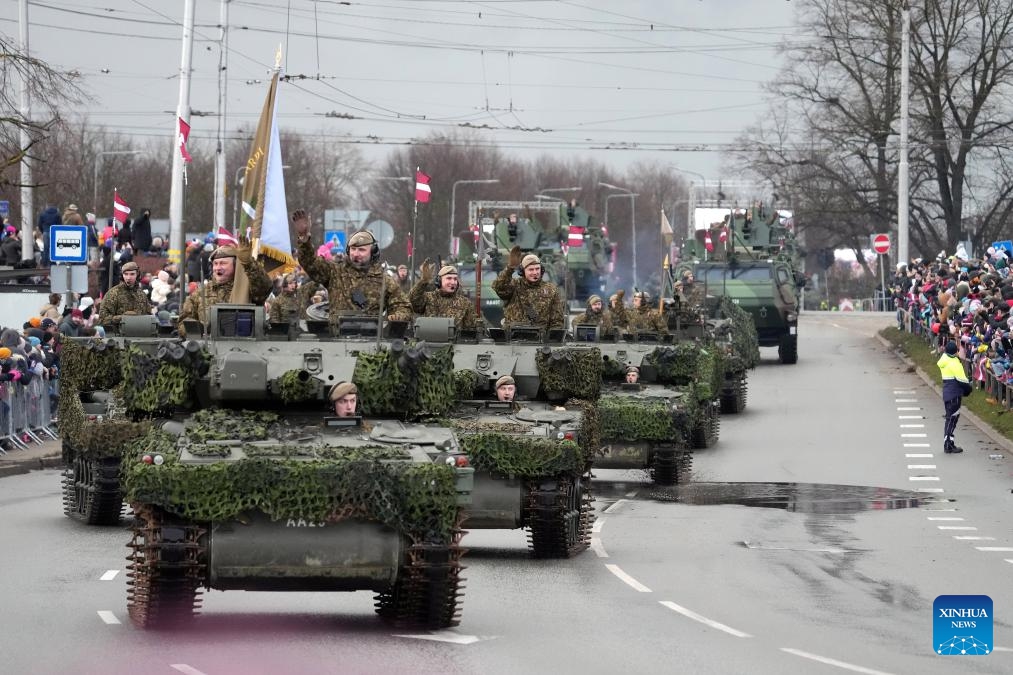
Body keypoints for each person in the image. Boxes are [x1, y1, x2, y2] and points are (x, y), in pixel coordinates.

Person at [291, 209, 412, 326]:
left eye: (361, 250)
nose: (356, 253)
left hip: (371, 339)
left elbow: (403, 306)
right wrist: (304, 239)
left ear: (373, 252)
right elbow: (311, 263)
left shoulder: (384, 280)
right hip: (336, 338)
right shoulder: (335, 271)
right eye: (353, 249)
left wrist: (397, 316)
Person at [176, 238, 273, 334]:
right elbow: (183, 321)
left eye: (223, 263)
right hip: (208, 346)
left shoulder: (247, 289)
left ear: (235, 265)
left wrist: (248, 263)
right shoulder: (201, 293)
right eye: (215, 264)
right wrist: (198, 330)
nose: (218, 268)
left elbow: (265, 287)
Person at [491, 246, 564, 331]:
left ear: (542, 270)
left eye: (537, 269)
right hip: (513, 337)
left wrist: (551, 339)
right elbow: (498, 287)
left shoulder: (551, 290)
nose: (535, 272)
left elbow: (557, 321)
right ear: (523, 271)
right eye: (531, 270)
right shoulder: (514, 285)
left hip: (539, 338)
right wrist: (509, 268)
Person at [408, 261, 477, 332]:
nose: (453, 282)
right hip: (429, 340)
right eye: (449, 278)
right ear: (439, 281)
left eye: (455, 279)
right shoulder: (428, 298)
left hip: (455, 342)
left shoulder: (465, 303)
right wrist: (423, 281)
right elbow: (413, 300)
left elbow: (472, 329)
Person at [937, 339, 972, 453]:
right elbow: (962, 381)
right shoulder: (954, 363)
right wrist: (968, 390)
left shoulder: (944, 360)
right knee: (952, 420)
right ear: (955, 352)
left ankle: (949, 442)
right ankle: (948, 444)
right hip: (954, 394)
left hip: (947, 392)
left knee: (949, 419)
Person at [101, 261, 151, 326]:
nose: (128, 278)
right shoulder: (113, 293)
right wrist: (122, 318)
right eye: (126, 274)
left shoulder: (142, 294)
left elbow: (148, 315)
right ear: (122, 275)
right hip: (119, 333)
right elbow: (103, 318)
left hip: (140, 333)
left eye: (132, 274)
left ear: (137, 274)